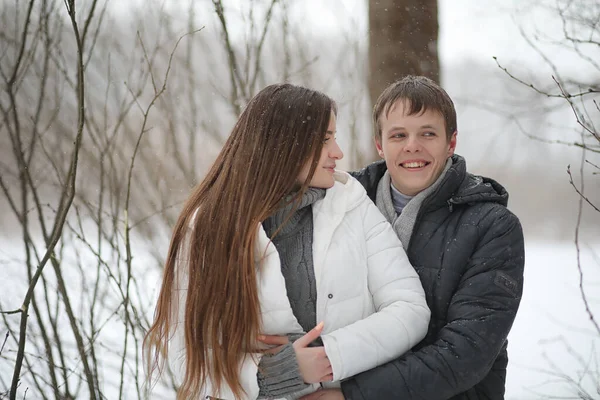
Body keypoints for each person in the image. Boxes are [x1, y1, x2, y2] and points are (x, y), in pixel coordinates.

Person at [143, 83, 430, 400]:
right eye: (324, 140)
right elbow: (186, 354)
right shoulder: (210, 225)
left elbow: (410, 310)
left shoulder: (354, 205)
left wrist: (327, 357)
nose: (338, 152)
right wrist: (275, 375)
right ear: (284, 145)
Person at [302, 76, 525, 400]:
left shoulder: (492, 227)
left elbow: (466, 353)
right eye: (398, 135)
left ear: (451, 142)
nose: (412, 146)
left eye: (428, 134)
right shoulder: (336, 203)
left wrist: (353, 396)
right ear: (380, 144)